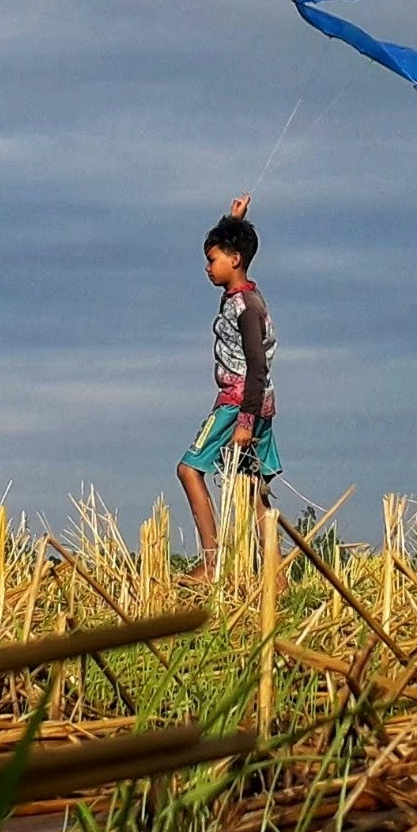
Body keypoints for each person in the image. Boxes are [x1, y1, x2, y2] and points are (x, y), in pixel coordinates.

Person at [177, 198, 277, 562]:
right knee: (252, 490)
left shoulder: (246, 308)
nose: (207, 267)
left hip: (238, 406)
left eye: (213, 259)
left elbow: (257, 366)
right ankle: (276, 579)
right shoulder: (245, 295)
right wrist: (234, 220)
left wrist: (245, 422)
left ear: (234, 259)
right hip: (258, 405)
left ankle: (211, 561)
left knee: (189, 469)